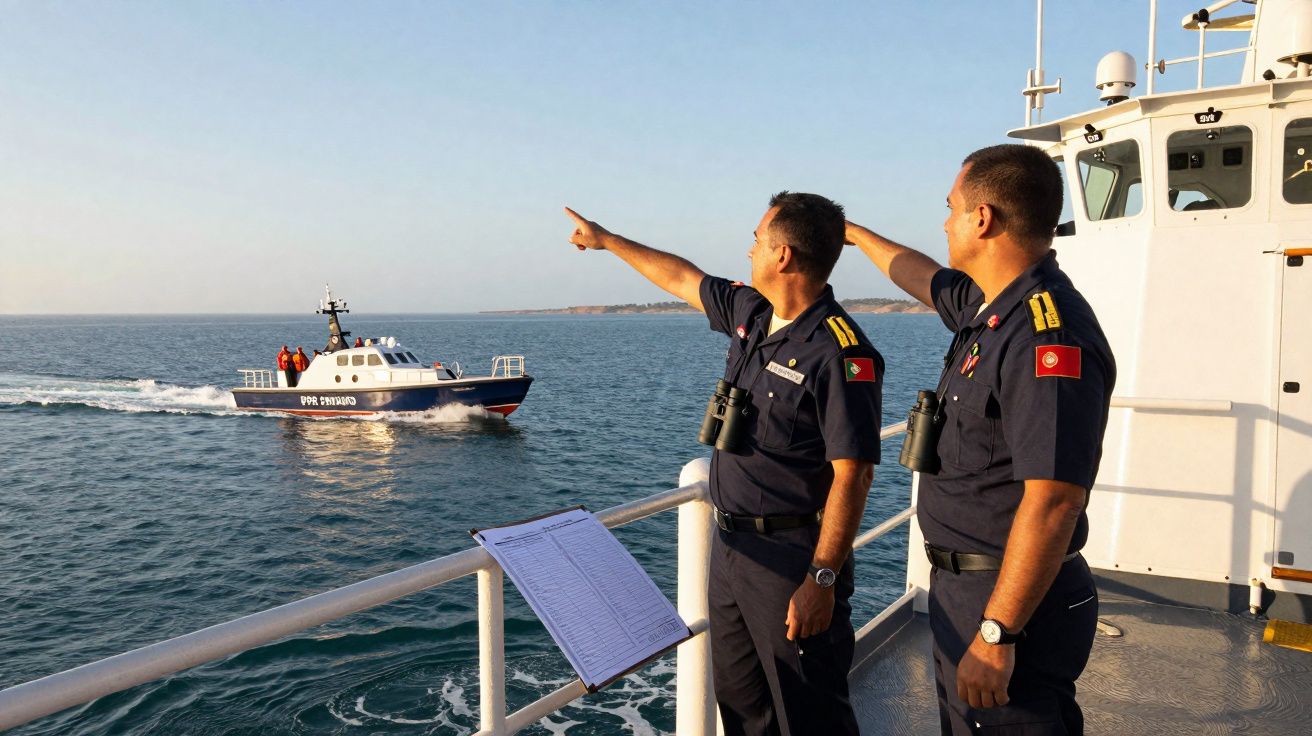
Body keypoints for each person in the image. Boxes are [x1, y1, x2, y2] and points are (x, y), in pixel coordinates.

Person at [564, 193, 883, 736]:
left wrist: (821, 579)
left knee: (810, 713)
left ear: (782, 254)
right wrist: (607, 240)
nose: (749, 249)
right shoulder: (753, 313)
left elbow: (855, 474)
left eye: (757, 240)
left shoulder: (841, 352)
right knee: (741, 704)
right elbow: (681, 277)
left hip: (792, 559)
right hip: (731, 547)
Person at [844, 144, 1115, 735]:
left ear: (983, 218)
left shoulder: (1046, 335)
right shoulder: (989, 306)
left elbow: (1055, 500)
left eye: (951, 208)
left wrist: (997, 633)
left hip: (1010, 603)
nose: (945, 223)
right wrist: (855, 234)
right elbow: (921, 276)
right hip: (968, 591)